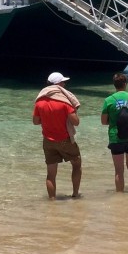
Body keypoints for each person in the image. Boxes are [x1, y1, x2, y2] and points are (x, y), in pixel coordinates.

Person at [32, 72, 82, 200]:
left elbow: (36, 121)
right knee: (76, 164)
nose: (64, 84)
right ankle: (75, 194)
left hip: (48, 141)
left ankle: (52, 201)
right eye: (63, 82)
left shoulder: (40, 102)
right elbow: (76, 122)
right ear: (58, 84)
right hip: (65, 139)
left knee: (51, 174)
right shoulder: (64, 103)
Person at [101, 72, 128, 192]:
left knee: (119, 170)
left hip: (115, 137)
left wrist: (113, 122)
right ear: (125, 84)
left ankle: (120, 197)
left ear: (114, 85)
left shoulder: (108, 100)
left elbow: (103, 121)